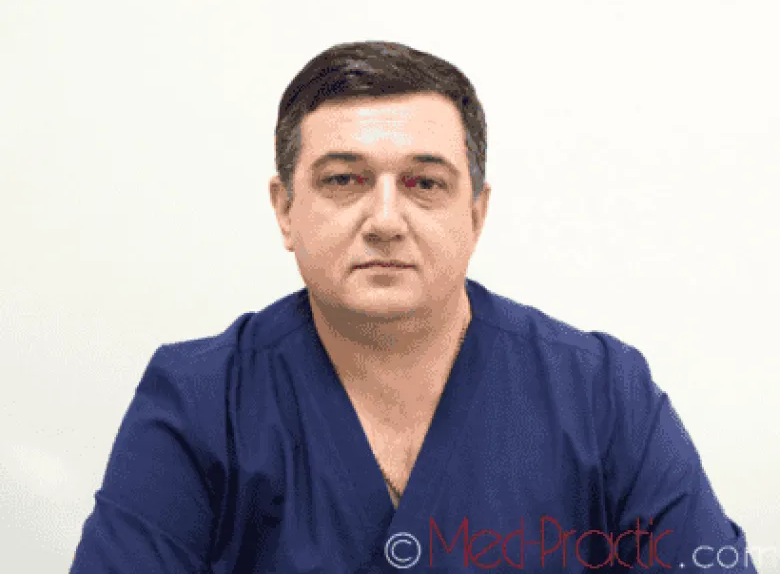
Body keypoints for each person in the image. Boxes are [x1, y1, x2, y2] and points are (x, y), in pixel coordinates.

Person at [71, 40, 757, 573]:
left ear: (476, 214)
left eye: (425, 183)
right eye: (344, 179)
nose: (385, 220)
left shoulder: (604, 395)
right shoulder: (200, 402)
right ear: (284, 210)